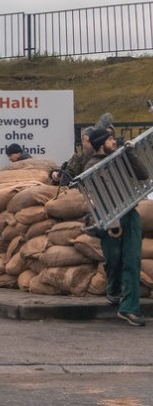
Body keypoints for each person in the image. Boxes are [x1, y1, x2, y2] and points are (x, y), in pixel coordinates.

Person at [83, 126, 149, 326]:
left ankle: (129, 308)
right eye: (110, 140)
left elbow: (143, 175)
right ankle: (113, 290)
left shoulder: (121, 157)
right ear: (101, 144)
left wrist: (131, 154)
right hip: (109, 218)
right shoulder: (92, 167)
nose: (114, 142)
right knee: (114, 260)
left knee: (132, 260)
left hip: (129, 214)